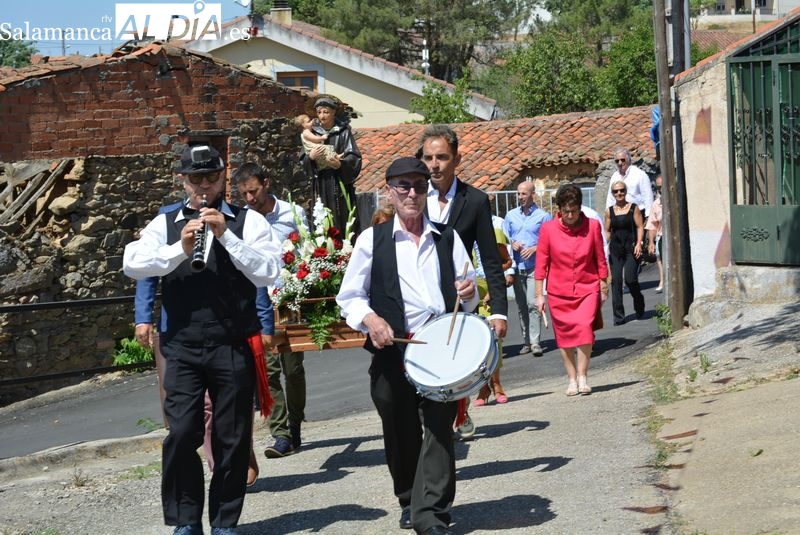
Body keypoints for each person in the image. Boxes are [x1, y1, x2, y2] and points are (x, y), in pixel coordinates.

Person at [123, 145, 281, 535]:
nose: (204, 187)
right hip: (181, 344)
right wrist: (180, 249)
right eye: (196, 179)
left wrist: (226, 236)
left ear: (223, 177)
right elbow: (133, 263)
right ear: (183, 180)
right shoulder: (165, 222)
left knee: (232, 436)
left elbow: (268, 271)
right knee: (181, 432)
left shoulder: (246, 221)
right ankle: (186, 520)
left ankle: (224, 522)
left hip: (232, 341)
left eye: (211, 178)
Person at [336, 156, 479, 535]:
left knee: (439, 428)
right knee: (399, 427)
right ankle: (409, 498)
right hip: (393, 351)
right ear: (390, 191)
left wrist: (468, 292)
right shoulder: (372, 240)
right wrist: (371, 320)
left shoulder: (447, 238)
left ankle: (431, 514)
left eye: (419, 186)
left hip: (441, 351)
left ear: (427, 190)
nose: (412, 193)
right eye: (404, 186)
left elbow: (469, 295)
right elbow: (349, 297)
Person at [416, 124, 509, 441]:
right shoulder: (413, 197)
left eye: (442, 157)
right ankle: (435, 424)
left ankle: (457, 410)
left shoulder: (476, 201)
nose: (434, 165)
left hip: (459, 298)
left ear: (456, 159)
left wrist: (499, 311)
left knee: (454, 361)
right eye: (429, 158)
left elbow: (491, 260)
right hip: (419, 300)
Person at [234, 162, 309, 458]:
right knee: (270, 369)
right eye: (244, 194)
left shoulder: (293, 213)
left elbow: (307, 251)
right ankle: (280, 434)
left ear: (266, 183)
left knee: (293, 369)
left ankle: (296, 423)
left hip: (289, 299)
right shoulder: (242, 220)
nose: (250, 198)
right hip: (257, 299)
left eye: (253, 191)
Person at [534, 184, 609, 396]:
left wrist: (604, 284)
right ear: (559, 209)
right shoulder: (548, 229)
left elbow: (600, 258)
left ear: (580, 207)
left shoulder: (593, 226)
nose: (569, 215)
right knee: (564, 335)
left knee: (585, 328)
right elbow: (541, 264)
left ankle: (583, 376)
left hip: (587, 287)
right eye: (565, 211)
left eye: (574, 211)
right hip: (558, 291)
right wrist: (539, 295)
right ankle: (572, 378)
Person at [502, 180, 552, 356]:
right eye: (518, 193)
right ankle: (526, 342)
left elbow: (549, 240)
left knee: (532, 303)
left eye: (524, 194)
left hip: (534, 267)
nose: (520, 197)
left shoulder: (543, 216)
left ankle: (535, 341)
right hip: (516, 267)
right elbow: (505, 238)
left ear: (533, 195)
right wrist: (512, 243)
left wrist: (535, 248)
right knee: (521, 305)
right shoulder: (510, 216)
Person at [300, 95, 362, 235]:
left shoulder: (343, 131)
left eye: (326, 112)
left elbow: (354, 156)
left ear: (334, 112)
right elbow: (303, 158)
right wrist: (311, 157)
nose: (322, 116)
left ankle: (345, 244)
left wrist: (340, 164)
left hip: (339, 182)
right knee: (321, 217)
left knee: (343, 217)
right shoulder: (312, 132)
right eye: (319, 112)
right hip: (321, 183)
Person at [472, 218, 514, 406]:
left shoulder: (494, 232)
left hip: (491, 289)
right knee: (476, 344)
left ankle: (496, 384)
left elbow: (507, 261)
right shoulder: (462, 234)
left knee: (494, 340)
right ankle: (483, 387)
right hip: (471, 293)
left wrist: (493, 284)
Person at [604, 179, 646, 325]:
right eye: (616, 191)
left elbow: (640, 226)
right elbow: (607, 231)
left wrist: (639, 243)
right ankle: (619, 317)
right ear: (612, 193)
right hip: (616, 249)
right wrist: (605, 247)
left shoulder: (633, 208)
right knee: (616, 281)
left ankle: (639, 302)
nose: (619, 193)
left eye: (622, 190)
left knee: (630, 279)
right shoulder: (609, 211)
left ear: (626, 191)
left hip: (631, 248)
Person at [604, 148, 654, 219]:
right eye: (617, 161)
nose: (620, 163)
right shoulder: (614, 176)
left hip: (638, 214)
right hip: (619, 214)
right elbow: (610, 198)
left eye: (622, 160)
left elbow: (648, 197)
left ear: (629, 160)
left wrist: (648, 216)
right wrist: (608, 216)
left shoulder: (640, 174)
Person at [646, 175, 664, 292]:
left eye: (663, 186)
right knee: (660, 257)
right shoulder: (656, 204)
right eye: (658, 187)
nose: (661, 189)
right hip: (662, 235)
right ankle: (663, 280)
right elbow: (653, 225)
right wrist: (651, 242)